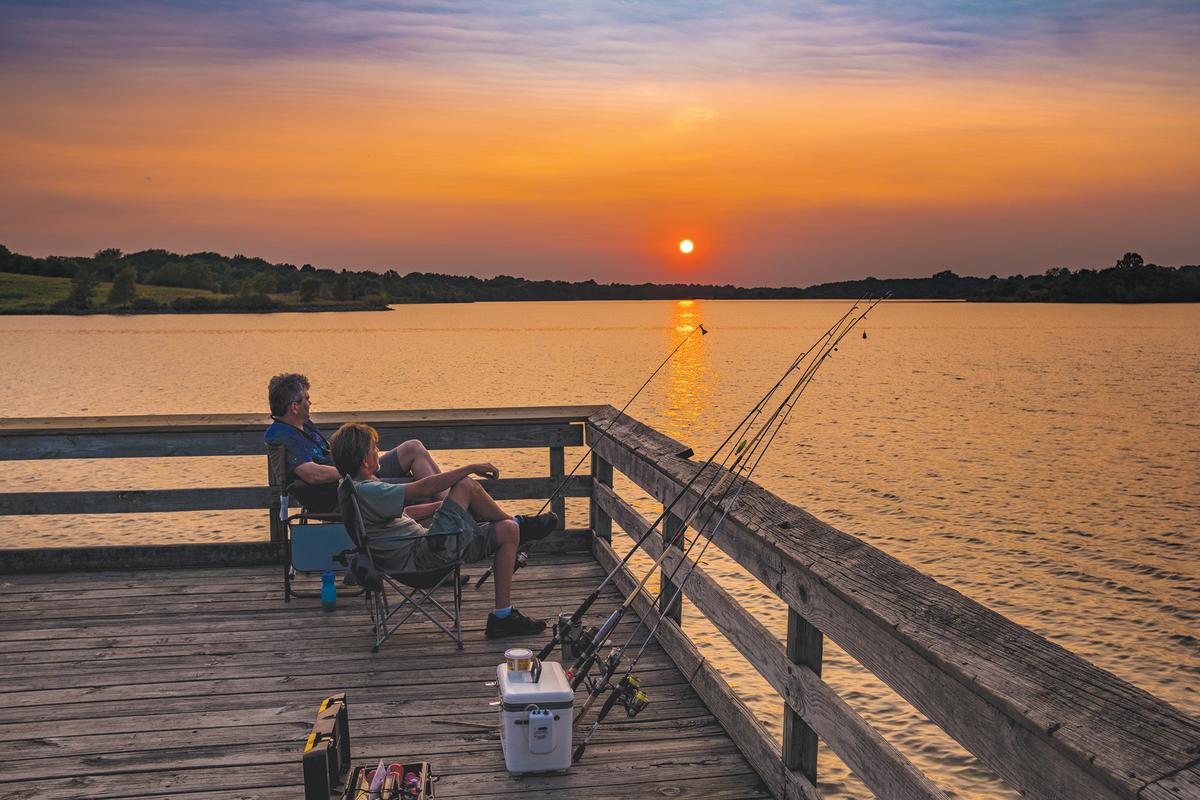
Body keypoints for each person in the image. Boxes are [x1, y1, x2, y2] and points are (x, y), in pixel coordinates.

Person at [330, 422, 556, 639]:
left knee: (507, 531)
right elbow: (425, 486)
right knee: (466, 484)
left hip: (420, 552)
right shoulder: (370, 490)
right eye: (374, 449)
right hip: (426, 559)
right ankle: (521, 523)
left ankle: (503, 617)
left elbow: (407, 513)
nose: (379, 452)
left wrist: (443, 506)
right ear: (363, 462)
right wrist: (470, 467)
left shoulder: (350, 488)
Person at [264, 373, 442, 519]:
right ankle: (444, 524)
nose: (310, 403)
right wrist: (357, 471)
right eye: (306, 400)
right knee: (418, 487)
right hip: (344, 490)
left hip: (356, 473)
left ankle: (451, 506)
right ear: (294, 407)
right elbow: (312, 474)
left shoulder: (304, 423)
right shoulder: (281, 435)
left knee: (413, 447)